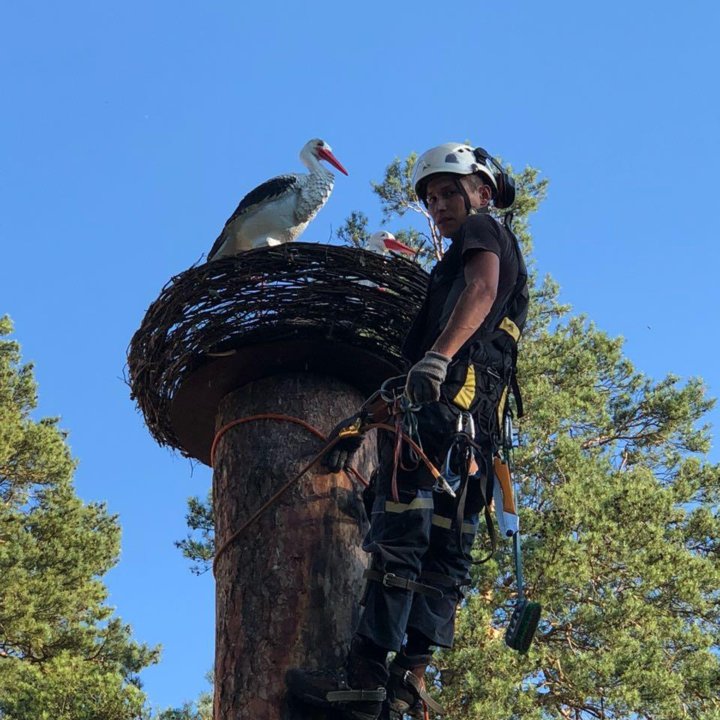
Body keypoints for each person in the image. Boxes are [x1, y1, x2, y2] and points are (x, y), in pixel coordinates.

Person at [286, 143, 529, 720]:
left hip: (448, 418)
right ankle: (407, 683)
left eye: (449, 191)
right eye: (432, 196)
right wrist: (366, 423)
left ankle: (364, 676)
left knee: (401, 535)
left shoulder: (483, 233)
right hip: (474, 433)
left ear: (482, 192)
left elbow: (481, 292)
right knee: (444, 553)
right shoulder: (467, 256)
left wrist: (439, 356)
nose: (440, 204)